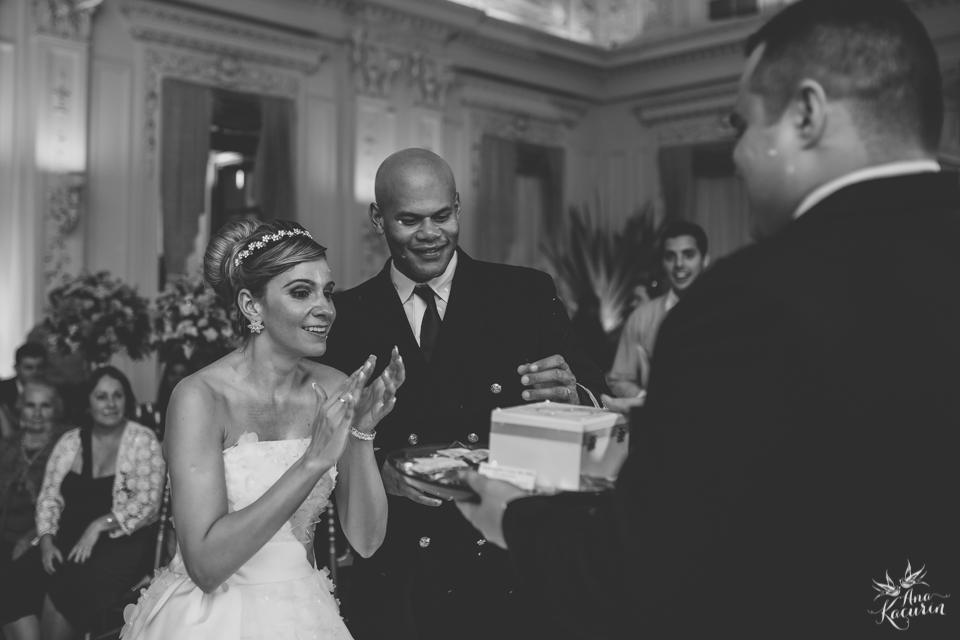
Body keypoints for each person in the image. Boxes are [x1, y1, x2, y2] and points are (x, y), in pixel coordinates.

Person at [456, 0, 959, 637]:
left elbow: (642, 578)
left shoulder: (751, 301)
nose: (739, 155)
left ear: (807, 114)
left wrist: (514, 517)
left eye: (742, 124)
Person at [320, 148, 610, 640]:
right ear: (377, 218)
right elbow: (321, 446)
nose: (431, 234)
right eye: (410, 220)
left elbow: (597, 407)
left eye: (443, 215)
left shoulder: (524, 294)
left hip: (506, 563)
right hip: (400, 568)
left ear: (458, 206)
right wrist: (381, 466)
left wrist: (576, 396)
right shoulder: (344, 317)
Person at [120, 219, 404, 640]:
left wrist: (361, 433)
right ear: (252, 306)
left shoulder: (331, 386)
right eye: (301, 292)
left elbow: (366, 540)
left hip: (305, 614)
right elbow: (206, 566)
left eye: (327, 291)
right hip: (208, 620)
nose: (325, 307)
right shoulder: (200, 398)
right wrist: (312, 462)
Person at [0, 366, 165, 640]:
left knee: (67, 586)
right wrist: (46, 540)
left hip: (120, 545)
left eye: (117, 395)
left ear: (127, 399)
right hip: (66, 539)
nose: (110, 404)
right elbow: (49, 497)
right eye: (101, 396)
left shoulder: (142, 439)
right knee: (13, 582)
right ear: (88, 401)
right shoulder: (70, 442)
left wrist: (100, 524)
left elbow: (148, 504)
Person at [608, 221, 709, 398]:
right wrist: (646, 401)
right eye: (670, 256)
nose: (679, 264)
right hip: (659, 420)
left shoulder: (724, 311)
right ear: (663, 262)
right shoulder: (641, 317)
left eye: (688, 255)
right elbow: (619, 380)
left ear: (705, 259)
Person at [0, 382, 65, 576]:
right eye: (30, 405)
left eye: (45, 405)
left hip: (45, 535)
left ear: (56, 409)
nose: (37, 413)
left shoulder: (66, 443)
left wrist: (32, 537)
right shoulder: (8, 445)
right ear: (20, 408)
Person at [0, 342, 48, 438]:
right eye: (28, 368)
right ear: (16, 368)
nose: (35, 373)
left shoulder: (54, 391)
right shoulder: (2, 390)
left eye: (40, 367)